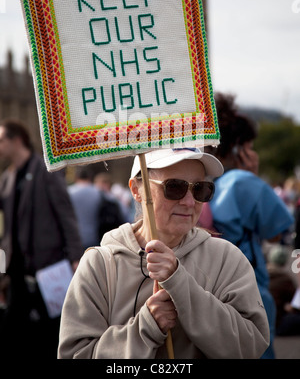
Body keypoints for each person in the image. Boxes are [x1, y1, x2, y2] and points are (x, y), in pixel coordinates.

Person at [58, 148, 270, 359]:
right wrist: (147, 326)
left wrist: (180, 284)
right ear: (136, 189)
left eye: (200, 189)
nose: (189, 202)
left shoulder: (227, 259)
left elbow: (251, 346)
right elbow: (76, 354)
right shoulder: (99, 264)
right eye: (174, 187)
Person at [206, 93, 294, 358]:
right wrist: (253, 175)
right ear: (238, 148)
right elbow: (277, 234)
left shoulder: (202, 178)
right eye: (250, 145)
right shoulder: (243, 182)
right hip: (249, 285)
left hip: (211, 285)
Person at [0, 119, 83, 359]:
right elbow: (7, 231)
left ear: (16, 140)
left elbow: (66, 214)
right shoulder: (7, 177)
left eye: (1, 140)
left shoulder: (46, 169)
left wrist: (76, 256)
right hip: (15, 269)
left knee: (51, 332)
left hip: (48, 267)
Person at [68, 166, 103, 250]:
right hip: (95, 238)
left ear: (76, 178)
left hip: (73, 238)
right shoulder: (99, 193)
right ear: (90, 178)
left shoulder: (68, 193)